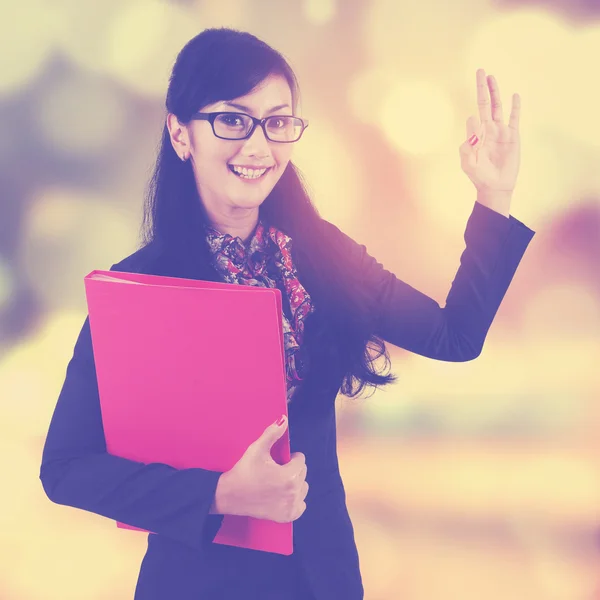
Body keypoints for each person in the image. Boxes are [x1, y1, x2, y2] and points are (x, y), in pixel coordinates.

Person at [39, 27, 536, 600]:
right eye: (232, 119)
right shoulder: (135, 289)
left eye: (276, 122)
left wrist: (493, 198)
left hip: (323, 578)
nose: (258, 147)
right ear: (180, 133)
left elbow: (455, 335)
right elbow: (67, 468)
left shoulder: (324, 255)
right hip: (199, 583)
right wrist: (220, 494)